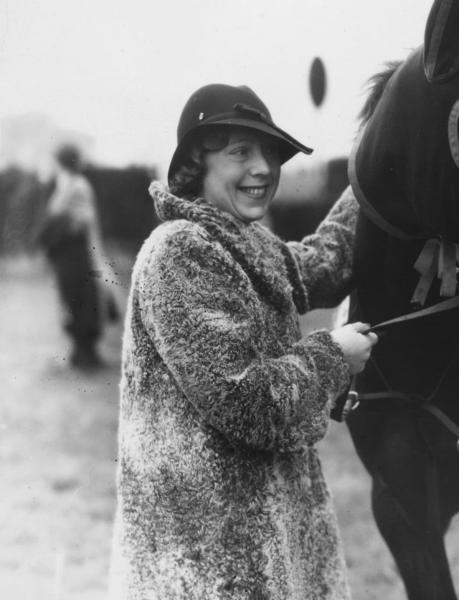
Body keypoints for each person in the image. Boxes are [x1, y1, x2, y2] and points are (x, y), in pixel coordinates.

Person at [108, 83, 376, 600]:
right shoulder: (179, 252)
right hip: (202, 562)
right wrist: (331, 355)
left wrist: (374, 170)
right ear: (195, 163)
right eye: (240, 152)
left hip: (256, 548)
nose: (263, 168)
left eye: (270, 153)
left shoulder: (244, 241)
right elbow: (245, 401)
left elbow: (324, 261)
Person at [37, 143, 116, 368]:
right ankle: (81, 352)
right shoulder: (69, 183)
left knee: (82, 299)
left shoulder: (75, 185)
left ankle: (86, 354)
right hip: (71, 252)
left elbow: (65, 216)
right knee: (74, 299)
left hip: (79, 252)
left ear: (62, 162)